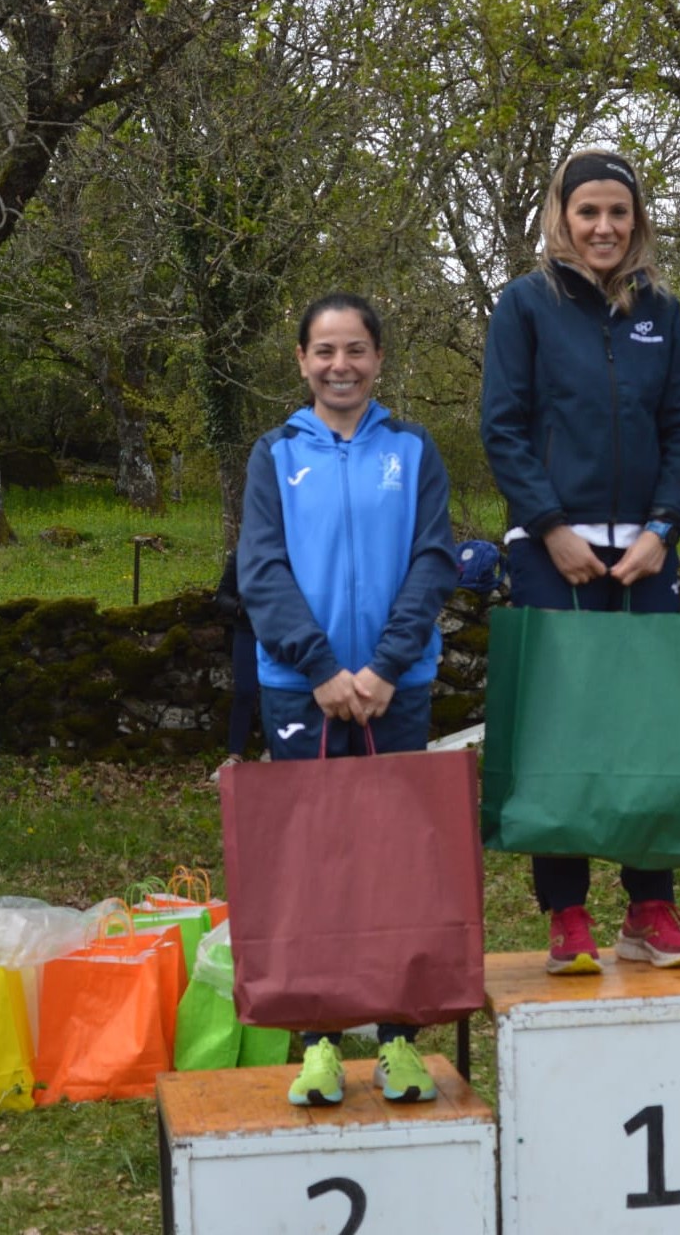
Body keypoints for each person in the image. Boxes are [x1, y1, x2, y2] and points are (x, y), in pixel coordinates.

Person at [481, 148, 680, 975]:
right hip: (555, 550)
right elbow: (503, 427)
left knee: (649, 726)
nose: (604, 227)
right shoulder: (524, 305)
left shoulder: (662, 313)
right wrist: (549, 527)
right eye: (588, 212)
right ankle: (566, 911)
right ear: (562, 217)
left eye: (618, 212)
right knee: (561, 730)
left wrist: (663, 529)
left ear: (636, 220)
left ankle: (649, 907)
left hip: (645, 553)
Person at [238, 292, 459, 1107]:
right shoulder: (274, 454)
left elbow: (433, 560)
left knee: (395, 862)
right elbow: (261, 570)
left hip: (395, 687)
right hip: (301, 689)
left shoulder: (412, 447)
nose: (341, 365)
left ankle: (398, 1040)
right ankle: (320, 1045)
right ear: (302, 361)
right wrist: (322, 668)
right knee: (314, 866)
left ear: (378, 359)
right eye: (325, 351)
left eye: (356, 349)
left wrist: (386, 666)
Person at [210, 548, 260, 782]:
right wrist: (238, 608)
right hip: (246, 631)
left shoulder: (285, 552)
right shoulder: (240, 556)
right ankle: (235, 756)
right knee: (244, 691)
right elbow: (222, 595)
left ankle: (273, 752)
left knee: (275, 691)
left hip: (277, 630)